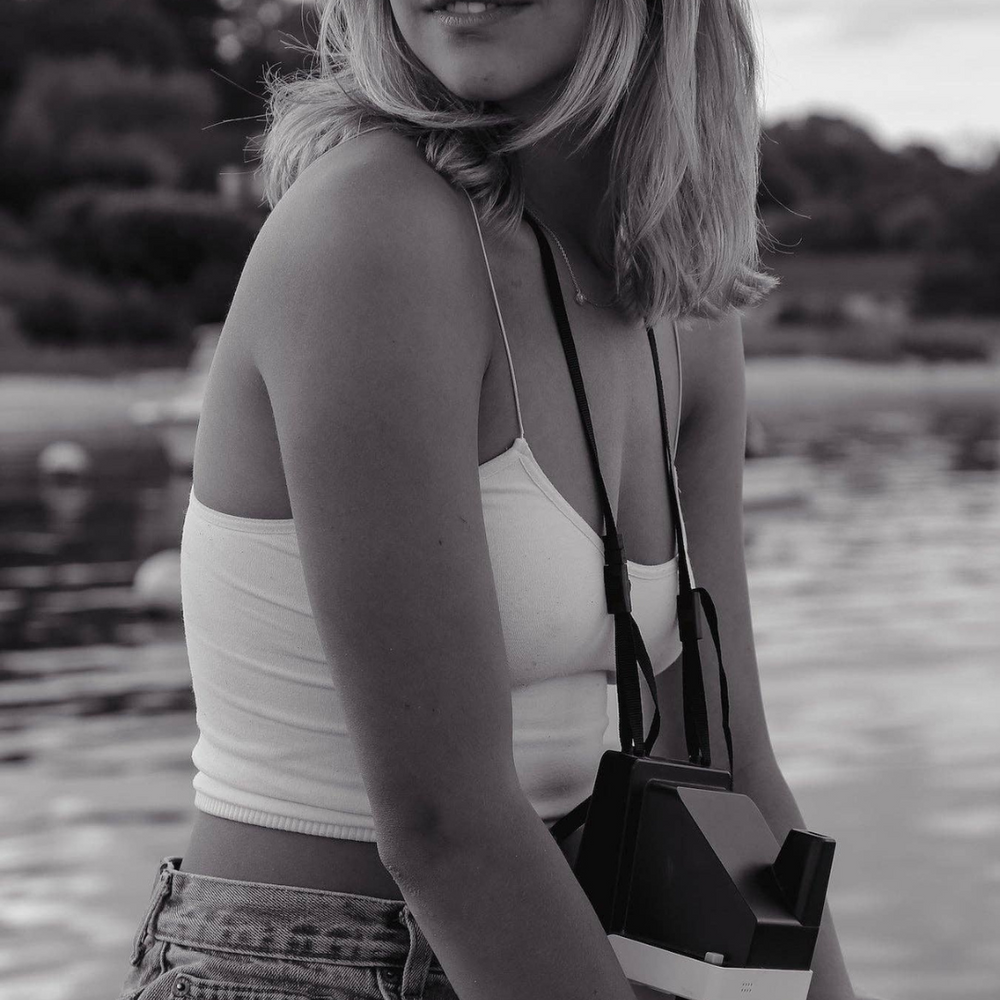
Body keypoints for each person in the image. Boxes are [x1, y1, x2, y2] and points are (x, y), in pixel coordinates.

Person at [118, 2, 864, 1000]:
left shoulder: (677, 307)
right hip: (306, 969)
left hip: (555, 946)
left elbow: (728, 763)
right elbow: (443, 830)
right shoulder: (370, 229)